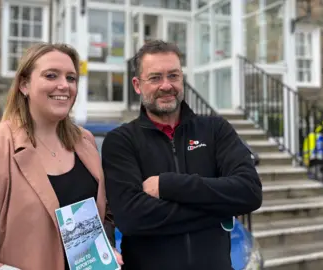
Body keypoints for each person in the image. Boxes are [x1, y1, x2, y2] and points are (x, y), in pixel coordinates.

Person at [0, 43, 123, 270]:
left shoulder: (84, 141)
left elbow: (98, 218)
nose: (64, 85)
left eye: (71, 78)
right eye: (51, 75)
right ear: (24, 84)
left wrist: (102, 251)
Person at [101, 40, 262, 270]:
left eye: (173, 76)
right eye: (155, 77)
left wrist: (169, 185)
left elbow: (250, 192)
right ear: (137, 85)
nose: (166, 85)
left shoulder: (215, 129)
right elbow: (131, 218)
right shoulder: (121, 141)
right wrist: (218, 208)